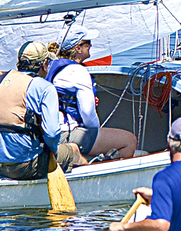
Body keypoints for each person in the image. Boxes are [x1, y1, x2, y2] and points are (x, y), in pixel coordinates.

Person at [0, 41, 82, 180]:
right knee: (72, 150)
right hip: (21, 166)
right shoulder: (45, 87)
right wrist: (52, 151)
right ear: (44, 64)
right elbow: (52, 133)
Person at [47, 25, 136, 161]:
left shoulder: (51, 67)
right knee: (129, 141)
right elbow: (88, 114)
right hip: (65, 133)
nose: (91, 45)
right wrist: (97, 133)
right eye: (88, 43)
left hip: (50, 131)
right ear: (78, 48)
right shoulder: (77, 71)